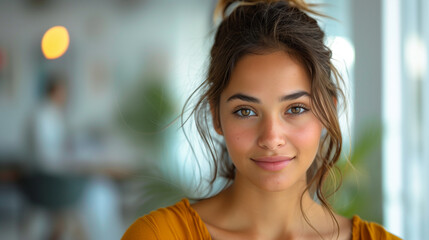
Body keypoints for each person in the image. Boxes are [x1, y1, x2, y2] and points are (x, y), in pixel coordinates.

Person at [122, 0, 401, 239]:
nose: (271, 138)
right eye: (245, 111)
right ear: (215, 116)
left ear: (329, 112)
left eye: (295, 108)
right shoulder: (158, 235)